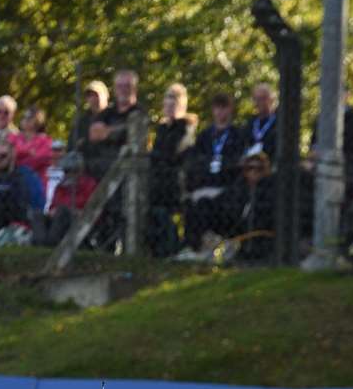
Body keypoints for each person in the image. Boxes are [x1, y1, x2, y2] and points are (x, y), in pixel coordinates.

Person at [181, 93, 245, 252]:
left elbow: (237, 162)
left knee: (206, 205)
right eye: (217, 108)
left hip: (226, 186)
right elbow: (197, 161)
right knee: (191, 204)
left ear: (230, 110)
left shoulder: (238, 134)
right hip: (205, 184)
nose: (220, 112)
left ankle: (212, 244)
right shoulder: (205, 135)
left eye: (224, 108)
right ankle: (193, 247)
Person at [149, 84, 196, 256]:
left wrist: (158, 157)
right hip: (158, 179)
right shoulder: (162, 129)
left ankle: (172, 247)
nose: (169, 108)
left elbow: (174, 154)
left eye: (173, 104)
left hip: (175, 181)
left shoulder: (185, 127)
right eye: (167, 104)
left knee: (162, 209)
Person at [85, 69, 142, 179]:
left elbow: (134, 134)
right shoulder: (107, 112)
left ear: (135, 88)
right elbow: (94, 134)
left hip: (127, 175)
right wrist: (120, 130)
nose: (123, 89)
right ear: (115, 89)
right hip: (102, 173)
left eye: (127, 85)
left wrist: (107, 131)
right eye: (120, 86)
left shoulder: (139, 112)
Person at [222, 150, 277, 262]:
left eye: (259, 169)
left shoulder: (271, 188)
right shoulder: (239, 188)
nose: (254, 172)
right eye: (250, 168)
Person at [68, 80, 109, 154]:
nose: (94, 98)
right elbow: (71, 147)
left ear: (106, 96)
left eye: (97, 94)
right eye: (90, 95)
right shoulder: (81, 123)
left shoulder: (115, 116)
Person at [9, 107, 53, 175]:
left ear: (38, 120)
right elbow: (7, 156)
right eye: (24, 117)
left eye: (30, 117)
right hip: (13, 178)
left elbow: (39, 160)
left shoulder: (46, 141)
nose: (26, 119)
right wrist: (28, 152)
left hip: (36, 179)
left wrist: (18, 157)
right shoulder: (13, 137)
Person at [242, 82, 279, 163]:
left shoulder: (279, 123)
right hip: (250, 166)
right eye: (257, 99)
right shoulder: (250, 124)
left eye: (263, 98)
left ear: (272, 99)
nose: (260, 102)